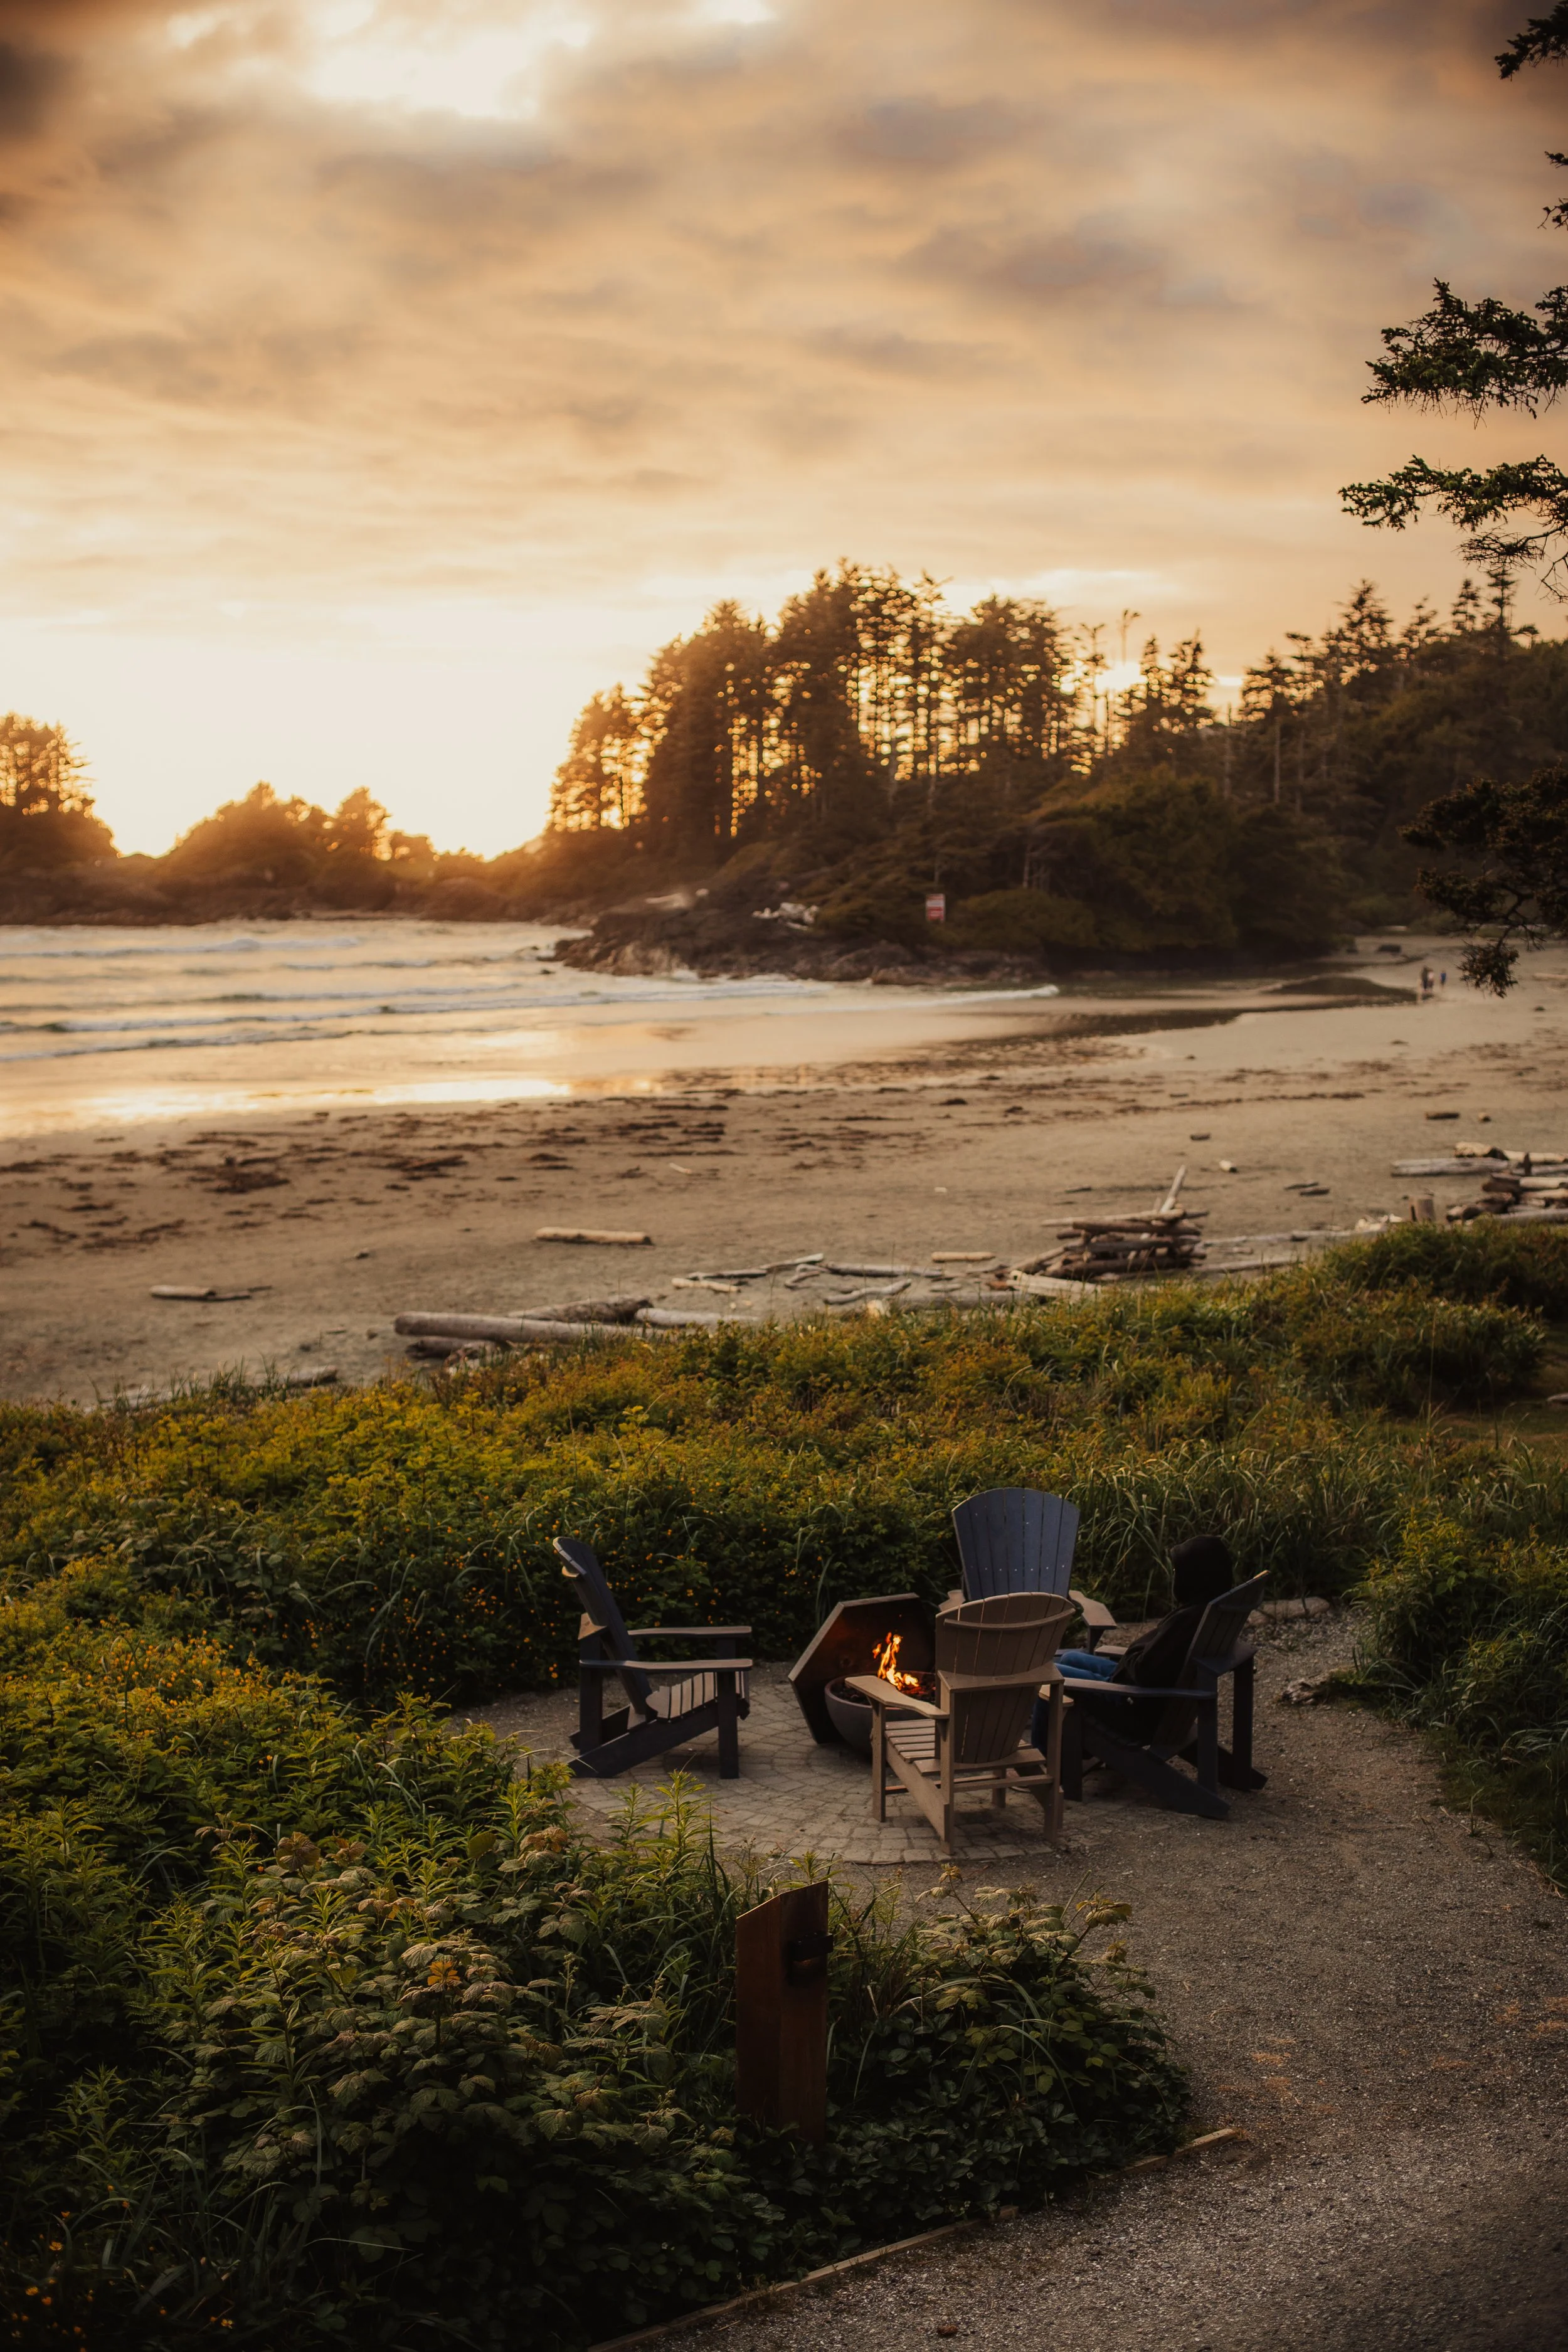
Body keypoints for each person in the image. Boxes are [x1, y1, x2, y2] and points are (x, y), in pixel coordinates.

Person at [1034, 1534, 1238, 1752]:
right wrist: (1137, 1655)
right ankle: (1075, 1746)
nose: (1174, 1576)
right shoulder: (1206, 1610)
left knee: (1048, 1675)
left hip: (1132, 1705)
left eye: (1179, 1572)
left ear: (1195, 1577)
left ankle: (1045, 1758)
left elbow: (1144, 1672)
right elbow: (1151, 1665)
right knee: (1070, 1657)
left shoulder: (1187, 1621)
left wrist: (1135, 1653)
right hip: (1146, 1695)